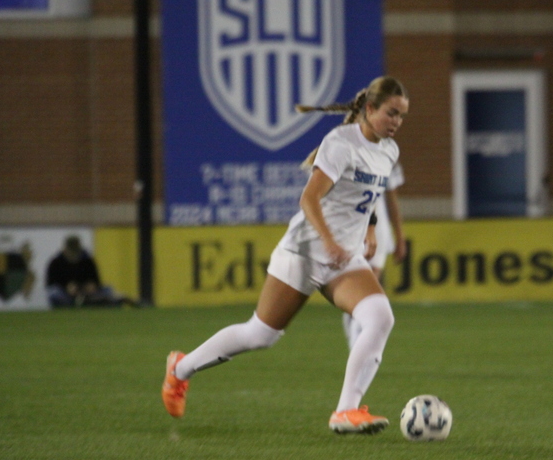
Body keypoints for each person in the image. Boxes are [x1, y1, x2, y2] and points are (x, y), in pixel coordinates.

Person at [162, 76, 410, 434]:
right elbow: (308, 199)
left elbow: (368, 194)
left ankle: (345, 411)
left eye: (402, 116)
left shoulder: (389, 150)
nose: (397, 123)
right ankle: (180, 369)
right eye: (391, 113)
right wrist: (328, 241)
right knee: (261, 334)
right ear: (369, 109)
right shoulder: (340, 143)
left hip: (343, 258)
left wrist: (370, 227)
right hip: (306, 250)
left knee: (380, 317)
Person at [342, 162, 407, 349]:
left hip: (377, 228)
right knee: (358, 295)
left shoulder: (389, 157)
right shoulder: (345, 152)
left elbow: (392, 200)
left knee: (367, 293)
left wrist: (400, 236)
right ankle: (357, 346)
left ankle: (356, 347)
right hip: (349, 228)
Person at [46, 235, 130, 308]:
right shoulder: (56, 263)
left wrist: (91, 286)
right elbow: (50, 284)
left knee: (108, 290)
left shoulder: (88, 261)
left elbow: (96, 281)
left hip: (87, 294)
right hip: (65, 295)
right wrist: (66, 287)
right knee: (54, 293)